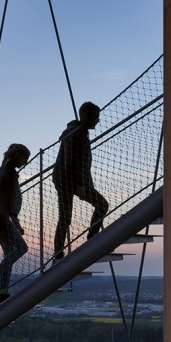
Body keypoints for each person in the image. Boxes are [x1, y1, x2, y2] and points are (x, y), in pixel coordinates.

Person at [52, 102, 109, 259]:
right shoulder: (77, 133)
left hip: (64, 179)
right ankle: (91, 238)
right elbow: (71, 161)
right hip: (69, 180)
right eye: (96, 117)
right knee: (102, 205)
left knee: (65, 216)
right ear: (85, 116)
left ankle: (58, 252)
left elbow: (75, 162)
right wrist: (80, 185)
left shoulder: (76, 132)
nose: (98, 120)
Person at [0, 143, 30, 304]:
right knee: (22, 248)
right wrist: (9, 221)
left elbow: (4, 197)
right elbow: (3, 198)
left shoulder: (4, 169)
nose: (25, 163)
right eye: (25, 158)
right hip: (0, 215)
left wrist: (15, 222)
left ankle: (3, 292)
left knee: (10, 251)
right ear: (18, 155)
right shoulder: (9, 172)